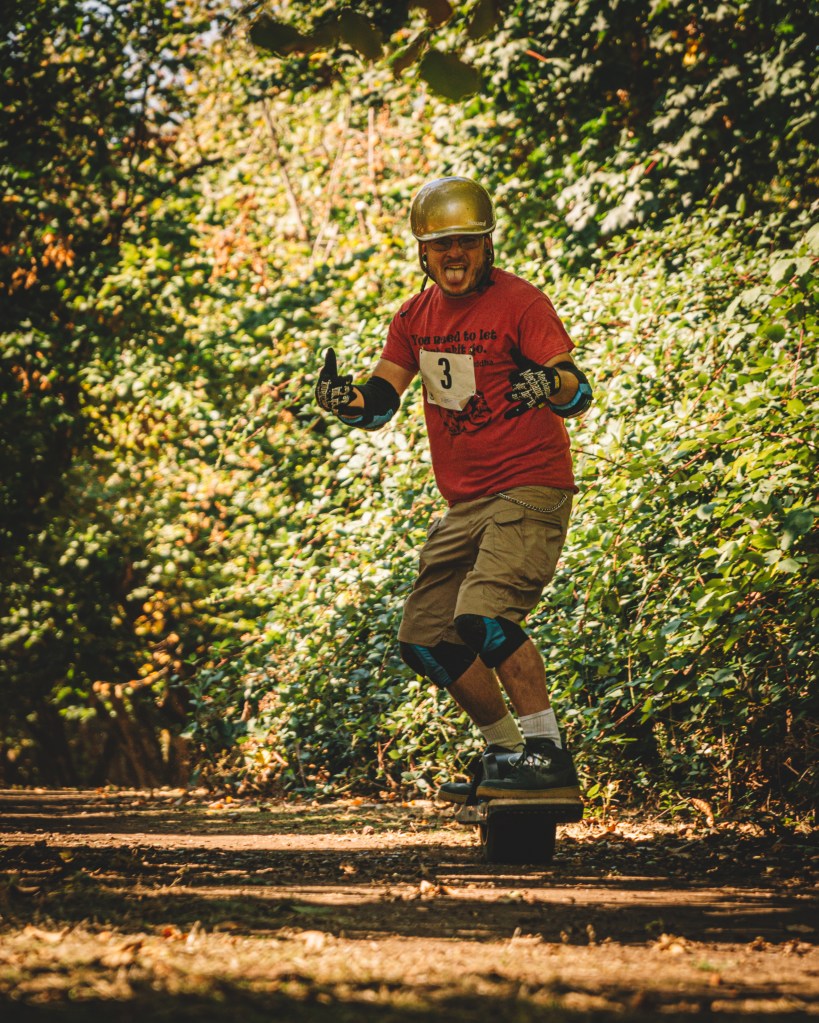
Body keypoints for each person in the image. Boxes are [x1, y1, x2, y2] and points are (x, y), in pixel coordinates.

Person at [315, 177, 592, 804]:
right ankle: (505, 753)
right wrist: (345, 400)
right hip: (466, 503)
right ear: (423, 252)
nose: (455, 254)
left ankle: (547, 754)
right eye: (442, 244)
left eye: (467, 241)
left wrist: (546, 386)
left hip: (529, 486)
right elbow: (380, 399)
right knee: (427, 639)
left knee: (483, 617)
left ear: (488, 244)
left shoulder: (521, 303)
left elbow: (575, 388)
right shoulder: (415, 316)